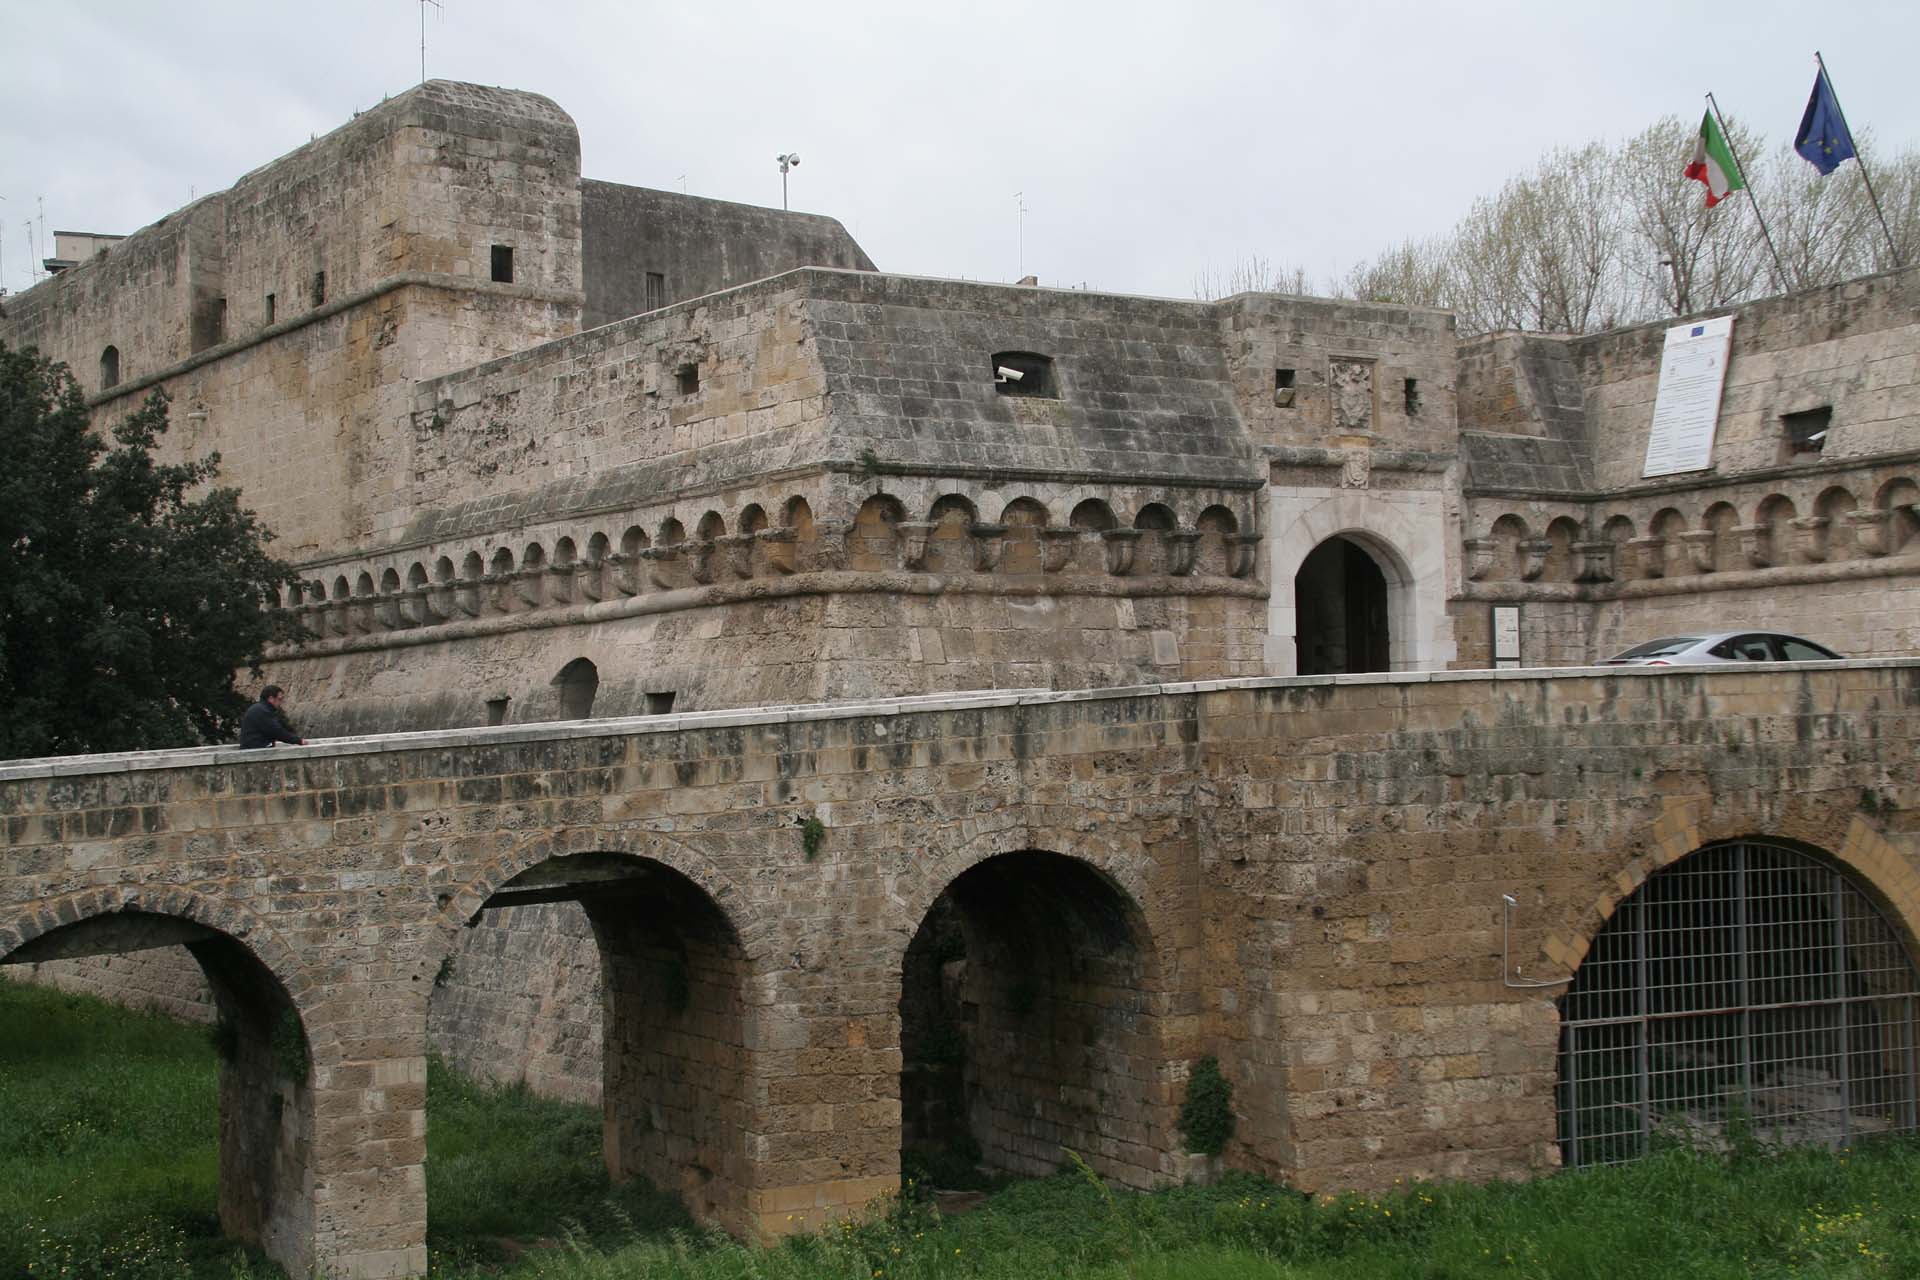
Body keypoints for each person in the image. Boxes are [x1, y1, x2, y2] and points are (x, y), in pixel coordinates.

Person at [239, 685, 306, 748]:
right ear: (271, 698)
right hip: (255, 750)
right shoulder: (262, 711)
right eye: (279, 699)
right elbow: (277, 732)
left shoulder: (259, 709)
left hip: (255, 747)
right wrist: (299, 741)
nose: (281, 703)